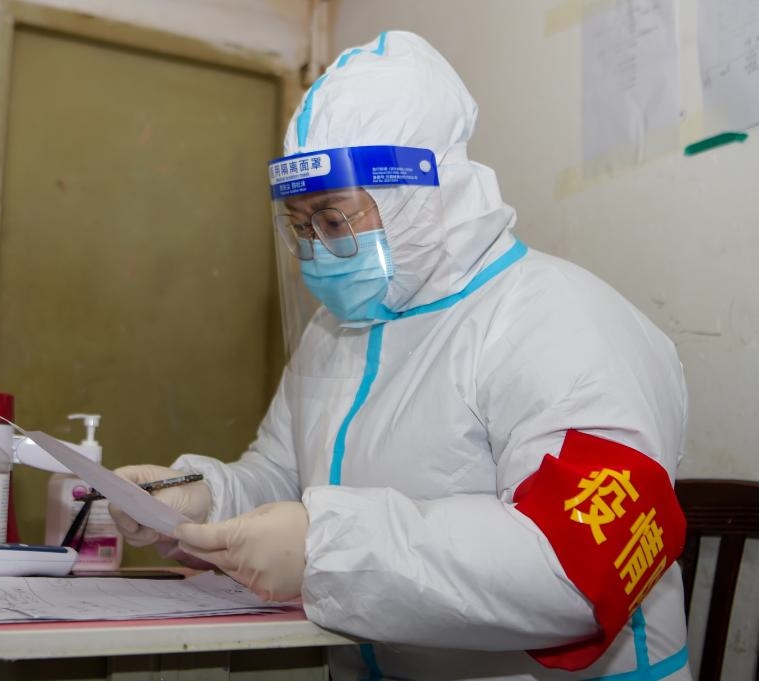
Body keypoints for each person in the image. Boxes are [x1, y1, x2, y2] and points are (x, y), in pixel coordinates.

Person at [109, 31, 690, 681]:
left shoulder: (560, 322)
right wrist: (201, 498)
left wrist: (327, 548)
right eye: (300, 226)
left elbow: (574, 566)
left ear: (419, 193)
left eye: (334, 220)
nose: (316, 249)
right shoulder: (335, 330)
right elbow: (283, 479)